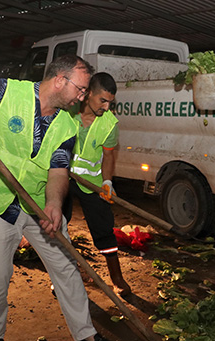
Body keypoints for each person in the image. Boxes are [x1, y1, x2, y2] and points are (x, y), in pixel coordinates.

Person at [0, 55, 122, 341]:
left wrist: (53, 204)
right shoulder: (7, 92)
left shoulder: (67, 125)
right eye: (80, 89)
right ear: (60, 80)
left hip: (38, 204)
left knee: (66, 266)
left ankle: (85, 335)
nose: (83, 96)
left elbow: (59, 169)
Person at [63, 72, 131, 296]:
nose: (107, 106)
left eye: (111, 102)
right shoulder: (68, 111)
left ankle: (117, 277)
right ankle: (62, 275)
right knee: (58, 224)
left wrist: (107, 182)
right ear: (88, 93)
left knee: (103, 228)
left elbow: (109, 156)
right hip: (62, 176)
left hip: (91, 182)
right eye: (103, 100)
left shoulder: (110, 123)